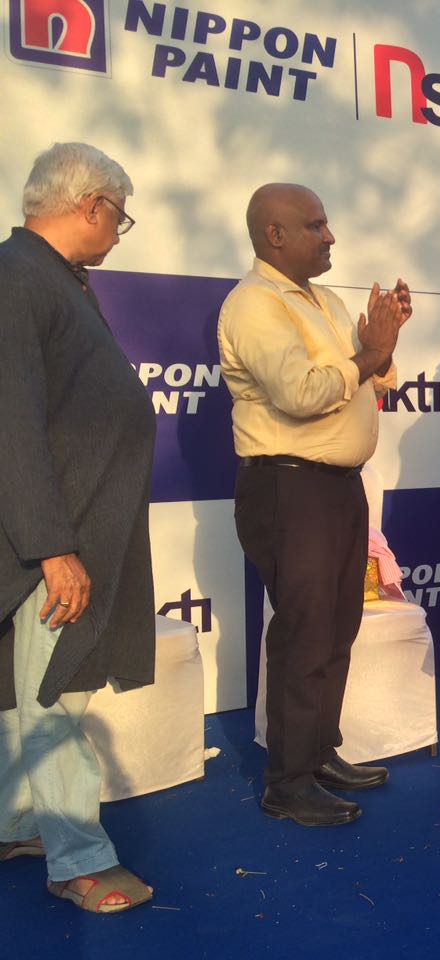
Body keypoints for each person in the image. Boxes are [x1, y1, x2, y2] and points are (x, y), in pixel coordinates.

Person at [218, 183, 412, 826]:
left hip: (337, 486)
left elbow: (373, 380)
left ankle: (318, 754)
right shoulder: (252, 304)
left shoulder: (325, 300)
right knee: (304, 633)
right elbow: (302, 394)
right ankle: (288, 783)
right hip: (289, 487)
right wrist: (371, 352)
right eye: (315, 225)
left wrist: (384, 344)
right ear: (274, 235)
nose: (330, 236)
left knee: (337, 626)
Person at [0, 143, 155, 912]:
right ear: (92, 205)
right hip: (48, 540)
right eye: (120, 218)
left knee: (29, 690)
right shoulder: (18, 278)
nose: (118, 231)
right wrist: (53, 548)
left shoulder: (51, 279)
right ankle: (79, 860)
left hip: (73, 526)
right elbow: (11, 424)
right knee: (52, 693)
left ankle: (18, 821)